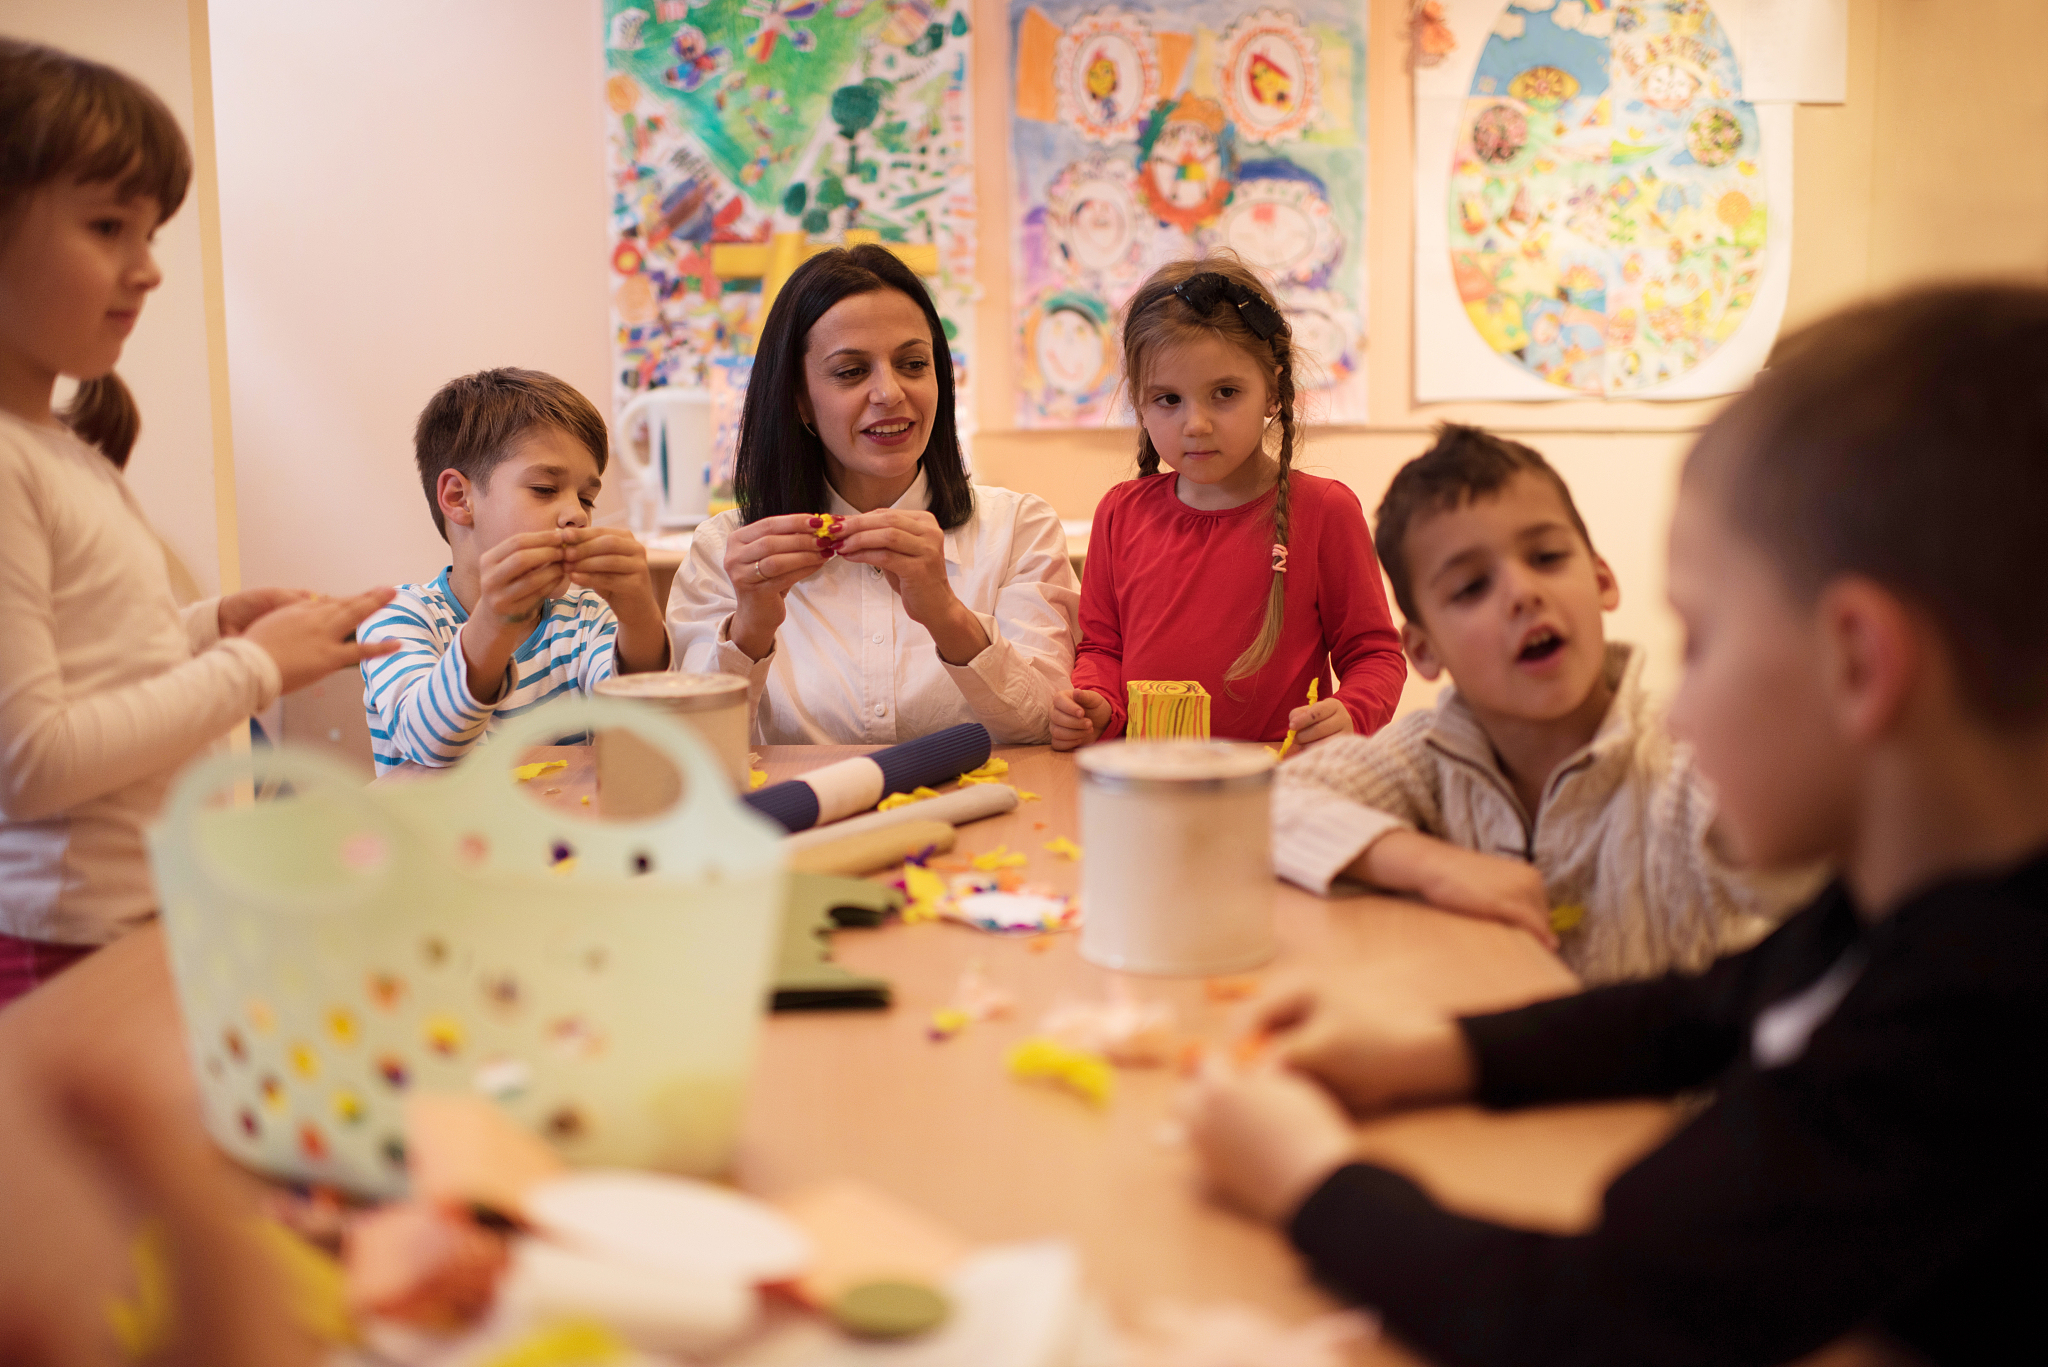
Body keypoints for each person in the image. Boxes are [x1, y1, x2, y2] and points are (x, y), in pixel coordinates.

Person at [1185, 284, 2048, 1366]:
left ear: (1859, 661)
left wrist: (1308, 1178)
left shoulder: (1976, 1021)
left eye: (1702, 634)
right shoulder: (1915, 917)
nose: (1678, 701)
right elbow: (1699, 1008)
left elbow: (1589, 1318)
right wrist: (1430, 1052)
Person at [0, 39, 395, 1007]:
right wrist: (255, 669)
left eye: (152, 234)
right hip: (63, 947)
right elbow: (31, 763)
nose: (148, 271)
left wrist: (204, 627)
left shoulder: (59, 448)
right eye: (107, 226)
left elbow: (87, 659)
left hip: (133, 917)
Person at [1272, 424, 1805, 982]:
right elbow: (1265, 808)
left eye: (1547, 557)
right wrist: (1432, 866)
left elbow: (1811, 859)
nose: (1523, 592)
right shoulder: (1425, 760)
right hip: (1480, 1055)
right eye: (1472, 587)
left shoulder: (1680, 761)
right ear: (1426, 650)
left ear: (1601, 581)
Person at [667, 245, 1079, 745]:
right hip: (797, 821)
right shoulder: (726, 549)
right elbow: (689, 752)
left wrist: (946, 614)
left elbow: (1048, 728)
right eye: (851, 372)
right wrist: (749, 630)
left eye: (912, 364)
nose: (889, 393)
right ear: (799, 397)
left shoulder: (1019, 529)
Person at [1051, 255, 1405, 749]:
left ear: (1274, 392)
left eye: (1225, 392)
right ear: (1140, 402)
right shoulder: (1119, 512)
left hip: (1279, 785)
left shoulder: (1324, 511)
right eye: (1168, 399)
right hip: (1150, 781)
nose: (1196, 424)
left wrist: (1352, 711)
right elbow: (1102, 649)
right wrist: (1095, 703)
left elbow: (1375, 655)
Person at [357, 368, 669, 772]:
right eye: (544, 489)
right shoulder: (396, 616)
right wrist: (495, 621)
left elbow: (642, 724)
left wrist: (639, 613)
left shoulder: (586, 615)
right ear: (458, 498)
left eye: (587, 498)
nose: (576, 514)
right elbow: (431, 741)